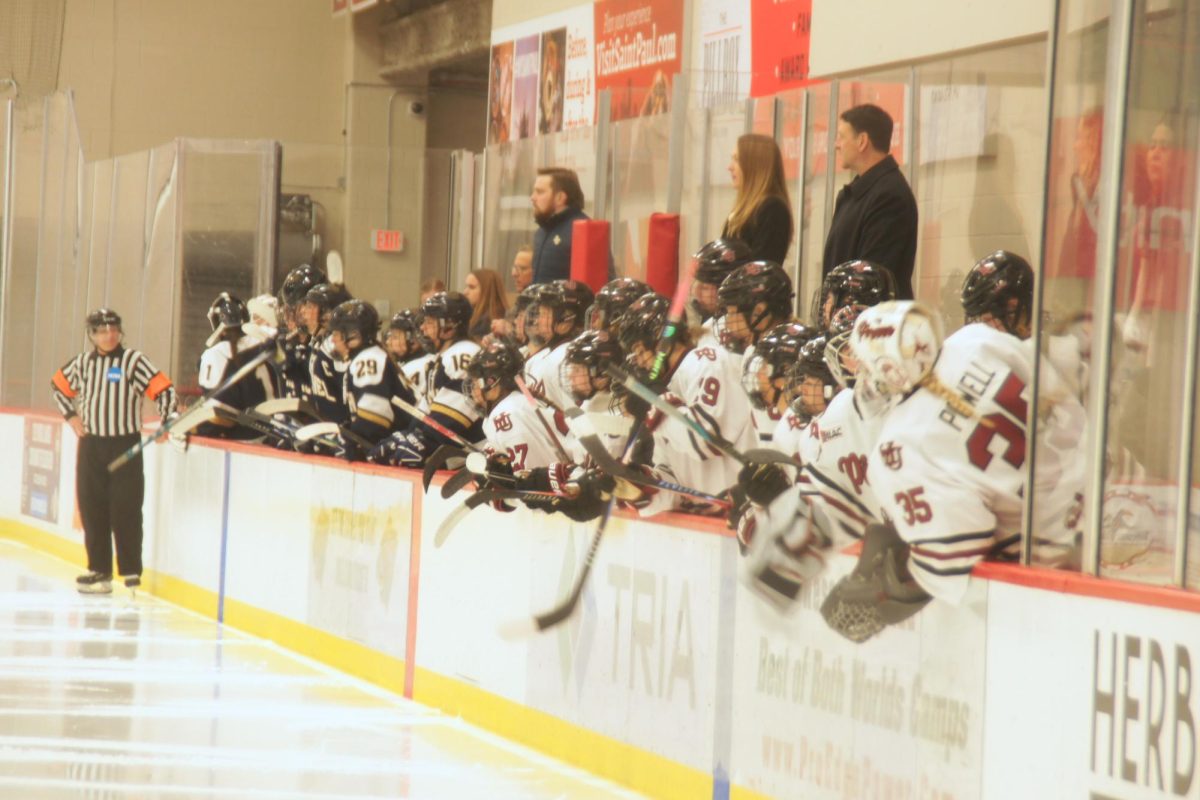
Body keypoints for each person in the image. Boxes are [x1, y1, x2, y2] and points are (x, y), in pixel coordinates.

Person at [51, 309, 177, 595]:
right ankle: (99, 570)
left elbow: (164, 389)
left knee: (126, 509)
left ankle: (131, 571)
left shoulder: (133, 361)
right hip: (92, 445)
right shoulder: (83, 363)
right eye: (102, 330)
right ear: (92, 335)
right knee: (92, 508)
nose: (109, 334)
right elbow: (58, 386)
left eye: (114, 329)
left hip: (125, 444)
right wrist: (71, 416)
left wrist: (167, 419)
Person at [822, 104, 918, 300]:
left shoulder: (890, 196)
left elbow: (872, 273)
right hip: (845, 319)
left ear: (862, 141)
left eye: (841, 137)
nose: (836, 145)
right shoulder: (851, 196)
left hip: (875, 324)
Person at [722, 134, 794, 265]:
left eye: (737, 160)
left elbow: (760, 269)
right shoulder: (741, 212)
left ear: (754, 165)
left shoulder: (772, 210)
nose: (730, 167)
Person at [530, 168, 590, 285]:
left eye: (540, 192)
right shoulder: (541, 233)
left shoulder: (583, 232)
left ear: (560, 197)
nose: (532, 197)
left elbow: (596, 284)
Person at [464, 269, 509, 342]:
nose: (465, 292)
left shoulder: (486, 323)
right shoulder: (471, 315)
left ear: (487, 290)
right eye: (466, 286)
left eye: (472, 287)